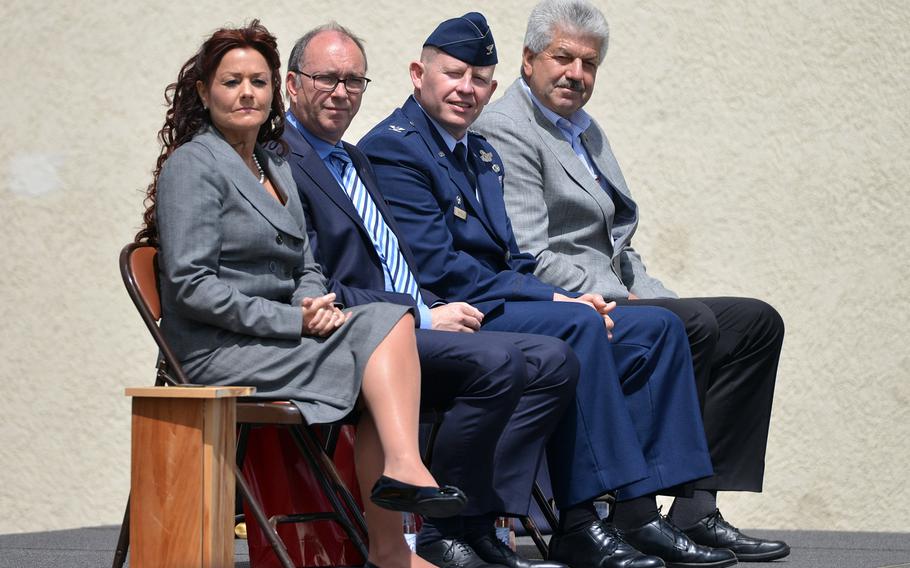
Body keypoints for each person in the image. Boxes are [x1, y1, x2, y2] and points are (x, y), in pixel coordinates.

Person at [359, 13, 736, 568]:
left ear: (493, 84)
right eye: (454, 73)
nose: (467, 88)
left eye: (479, 78)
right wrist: (555, 300)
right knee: (579, 326)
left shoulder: (478, 152)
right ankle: (581, 520)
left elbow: (512, 257)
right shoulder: (398, 149)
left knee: (658, 327)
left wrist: (559, 295)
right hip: (457, 310)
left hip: (502, 298)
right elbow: (442, 269)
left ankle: (641, 515)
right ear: (419, 74)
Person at [473, 0, 789, 563]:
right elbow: (530, 253)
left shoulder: (584, 132)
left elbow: (618, 242)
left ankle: (696, 507)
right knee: (683, 323)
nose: (575, 73)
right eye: (562, 57)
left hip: (619, 289)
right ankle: (632, 510)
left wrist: (654, 293)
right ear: (528, 60)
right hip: (572, 301)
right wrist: (630, 300)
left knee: (754, 323)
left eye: (588, 63)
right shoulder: (505, 129)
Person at [134, 19, 467, 550]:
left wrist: (315, 301)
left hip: (283, 332)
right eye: (231, 81)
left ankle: (396, 511)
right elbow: (190, 288)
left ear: (274, 91)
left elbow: (305, 261)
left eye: (258, 82)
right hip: (220, 348)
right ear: (203, 91)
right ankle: (397, 508)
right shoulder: (193, 166)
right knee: (378, 355)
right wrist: (295, 319)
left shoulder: (274, 162)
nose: (247, 92)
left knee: (391, 319)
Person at [280, 22, 579, 568]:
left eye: (354, 80)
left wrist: (427, 308)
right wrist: (415, 313)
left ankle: (481, 518)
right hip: (354, 333)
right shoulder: (280, 164)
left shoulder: (354, 160)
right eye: (326, 78)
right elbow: (310, 278)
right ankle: (442, 527)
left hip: (406, 318)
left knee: (553, 359)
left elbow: (398, 257)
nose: (341, 92)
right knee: (499, 360)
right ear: (293, 85)